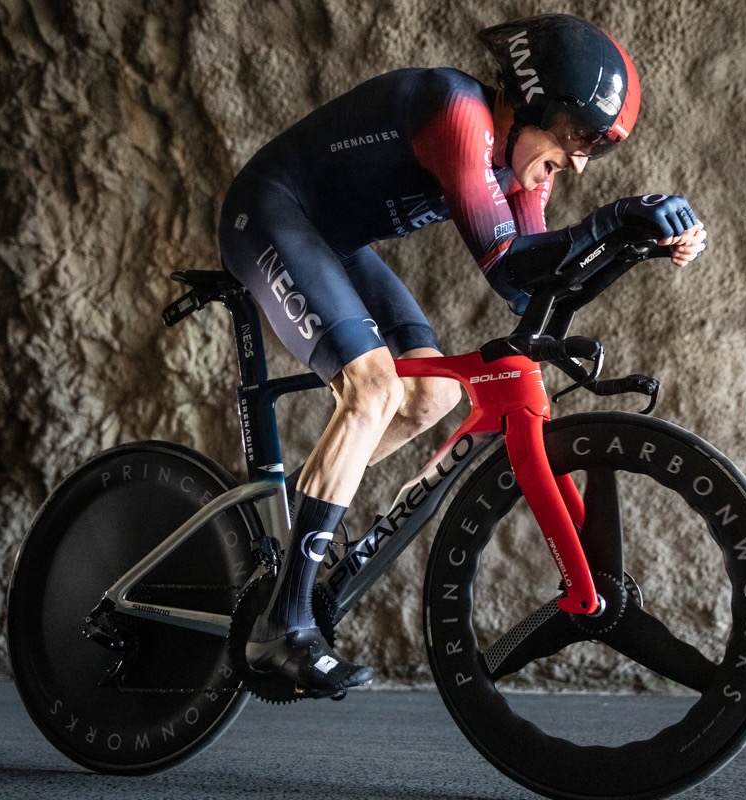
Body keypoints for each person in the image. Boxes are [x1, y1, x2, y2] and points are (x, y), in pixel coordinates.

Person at [218, 13, 707, 698]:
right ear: (535, 102)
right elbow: (511, 261)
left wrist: (638, 248)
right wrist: (616, 217)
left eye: (593, 149)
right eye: (574, 138)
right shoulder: (458, 114)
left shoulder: (526, 168)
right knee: (372, 391)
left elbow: (526, 289)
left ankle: (289, 531)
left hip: (333, 240)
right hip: (271, 210)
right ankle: (283, 624)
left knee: (433, 395)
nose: (577, 162)